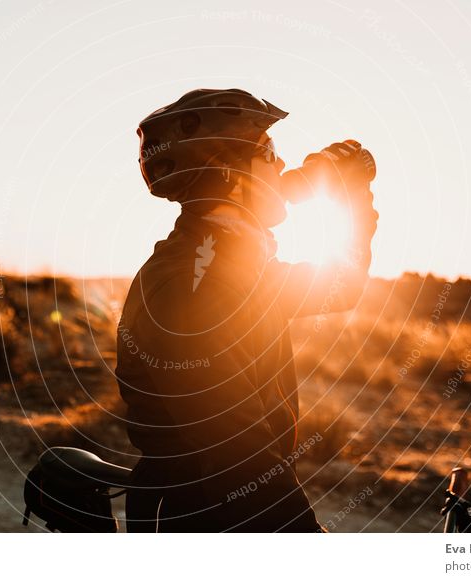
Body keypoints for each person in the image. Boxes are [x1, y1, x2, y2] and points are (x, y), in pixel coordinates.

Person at [115, 88, 378, 532]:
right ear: (228, 171)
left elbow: (341, 288)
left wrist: (353, 199)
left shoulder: (238, 265)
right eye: (269, 151)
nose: (280, 165)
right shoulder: (195, 281)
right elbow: (235, 451)